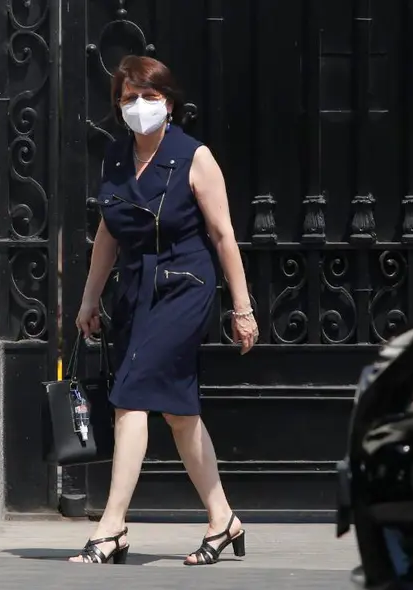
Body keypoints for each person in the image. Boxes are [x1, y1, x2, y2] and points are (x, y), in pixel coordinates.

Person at [70, 55, 259, 566]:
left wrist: (242, 308)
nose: (139, 106)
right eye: (129, 98)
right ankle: (223, 519)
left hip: (185, 285)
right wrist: (89, 297)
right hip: (136, 288)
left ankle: (112, 527)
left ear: (169, 103)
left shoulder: (194, 156)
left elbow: (222, 234)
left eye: (149, 97)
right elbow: (108, 232)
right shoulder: (114, 157)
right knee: (178, 412)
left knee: (130, 398)